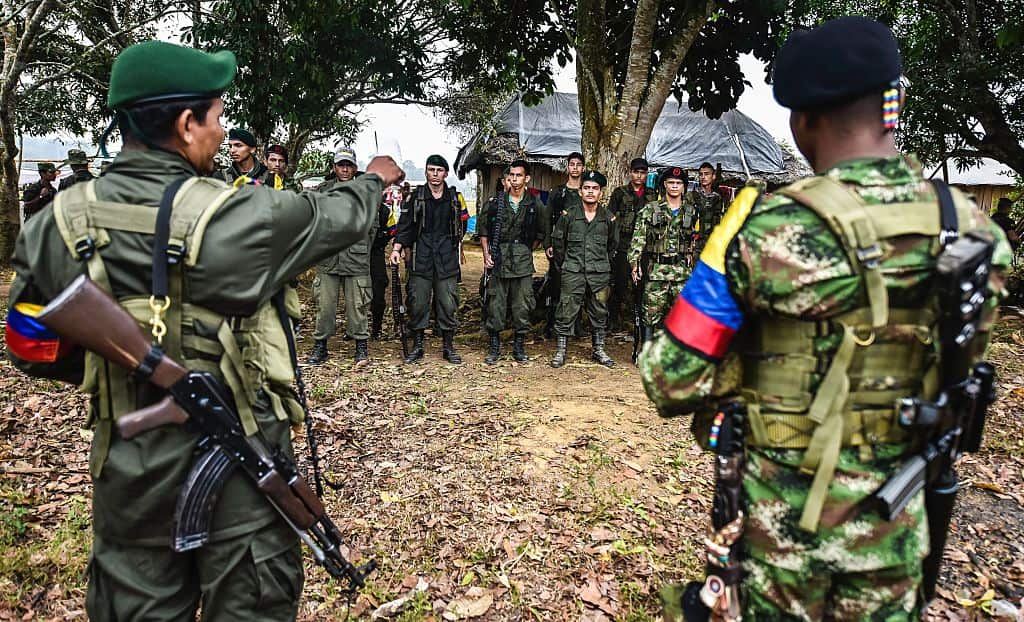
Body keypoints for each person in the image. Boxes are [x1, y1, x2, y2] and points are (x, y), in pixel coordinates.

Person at [5, 40, 403, 620]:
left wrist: (122, 368)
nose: (222, 132)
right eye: (217, 117)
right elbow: (335, 217)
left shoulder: (58, 224)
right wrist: (371, 180)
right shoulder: (239, 216)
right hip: (241, 489)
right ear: (187, 124)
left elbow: (28, 343)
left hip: (130, 475)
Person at [639, 17, 1011, 621]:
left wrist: (718, 265)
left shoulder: (767, 231)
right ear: (896, 104)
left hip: (781, 542)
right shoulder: (975, 234)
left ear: (800, 119)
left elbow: (669, 378)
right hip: (896, 529)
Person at [391, 154, 467, 364]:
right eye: (431, 170)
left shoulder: (454, 198)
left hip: (446, 258)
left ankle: (448, 346)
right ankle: (417, 345)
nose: (435, 174)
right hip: (421, 257)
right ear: (426, 172)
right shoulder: (416, 197)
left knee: (448, 302)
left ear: (446, 173)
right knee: (417, 302)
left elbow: (461, 228)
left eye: (439, 170)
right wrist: (397, 249)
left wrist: (457, 250)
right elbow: (405, 227)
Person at [307, 147, 377, 366]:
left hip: (356, 259)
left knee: (358, 305)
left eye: (348, 165)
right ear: (334, 167)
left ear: (355, 168)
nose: (344, 169)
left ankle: (361, 347)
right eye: (340, 165)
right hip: (328, 258)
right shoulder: (322, 190)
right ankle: (321, 346)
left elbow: (372, 226)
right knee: (325, 306)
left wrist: (361, 246)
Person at [479, 159, 549, 364]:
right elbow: (484, 231)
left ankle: (519, 346)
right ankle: (495, 346)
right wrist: (486, 254)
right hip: (498, 259)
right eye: (511, 175)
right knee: (496, 303)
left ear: (526, 178)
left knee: (523, 304)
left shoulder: (535, 204)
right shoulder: (495, 203)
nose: (514, 179)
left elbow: (541, 232)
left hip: (522, 261)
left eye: (519, 175)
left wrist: (525, 250)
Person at [549, 170, 618, 368]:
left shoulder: (608, 218)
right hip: (573, 270)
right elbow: (558, 242)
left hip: (599, 274)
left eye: (594, 189)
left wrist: (602, 263)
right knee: (566, 308)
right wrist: (567, 264)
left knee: (599, 310)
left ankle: (599, 349)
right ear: (580, 191)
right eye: (586, 188)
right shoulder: (569, 215)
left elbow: (613, 245)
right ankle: (561, 350)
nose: (590, 192)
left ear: (601, 193)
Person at [627, 166, 697, 343]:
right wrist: (634, 263)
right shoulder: (651, 209)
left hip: (682, 272)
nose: (674, 186)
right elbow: (638, 238)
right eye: (671, 183)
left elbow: (696, 240)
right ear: (665, 184)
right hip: (657, 271)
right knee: (651, 313)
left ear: (684, 186)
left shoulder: (691, 211)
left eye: (679, 183)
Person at [607, 157, 658, 332]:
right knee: (619, 283)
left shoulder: (652, 194)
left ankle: (639, 320)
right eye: (636, 172)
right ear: (630, 173)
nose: (639, 175)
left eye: (643, 172)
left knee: (642, 284)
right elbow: (610, 218)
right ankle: (612, 319)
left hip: (644, 246)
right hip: (623, 243)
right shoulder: (619, 193)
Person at [543, 151, 585, 338]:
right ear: (567, 167)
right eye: (572, 164)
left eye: (578, 164)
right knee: (556, 284)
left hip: (581, 246)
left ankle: (576, 325)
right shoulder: (557, 193)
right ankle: (552, 325)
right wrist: (548, 243)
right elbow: (547, 219)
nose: (575, 168)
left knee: (579, 285)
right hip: (560, 245)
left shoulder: (588, 191)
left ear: (583, 168)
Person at [686, 161, 724, 256]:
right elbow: (687, 221)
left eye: (706, 174)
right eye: (701, 174)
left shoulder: (718, 198)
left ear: (713, 176)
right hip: (697, 243)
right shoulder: (692, 196)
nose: (703, 177)